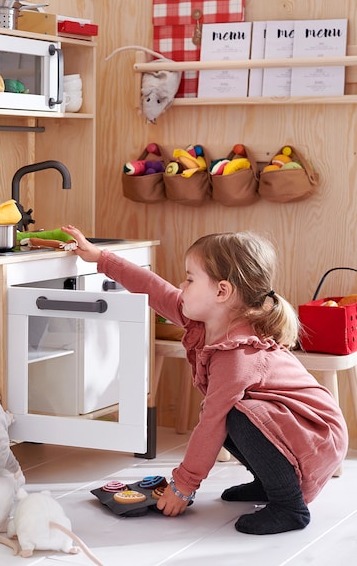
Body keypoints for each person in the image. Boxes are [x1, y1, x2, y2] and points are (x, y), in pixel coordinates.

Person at [62, 225, 349, 535]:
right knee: (232, 415)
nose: (180, 285)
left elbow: (211, 423)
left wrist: (183, 485)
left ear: (221, 291)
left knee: (230, 416)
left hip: (315, 436)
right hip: (292, 431)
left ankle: (288, 505)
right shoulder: (202, 319)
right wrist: (100, 257)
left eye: (189, 278)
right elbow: (153, 289)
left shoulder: (238, 354)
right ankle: (268, 485)